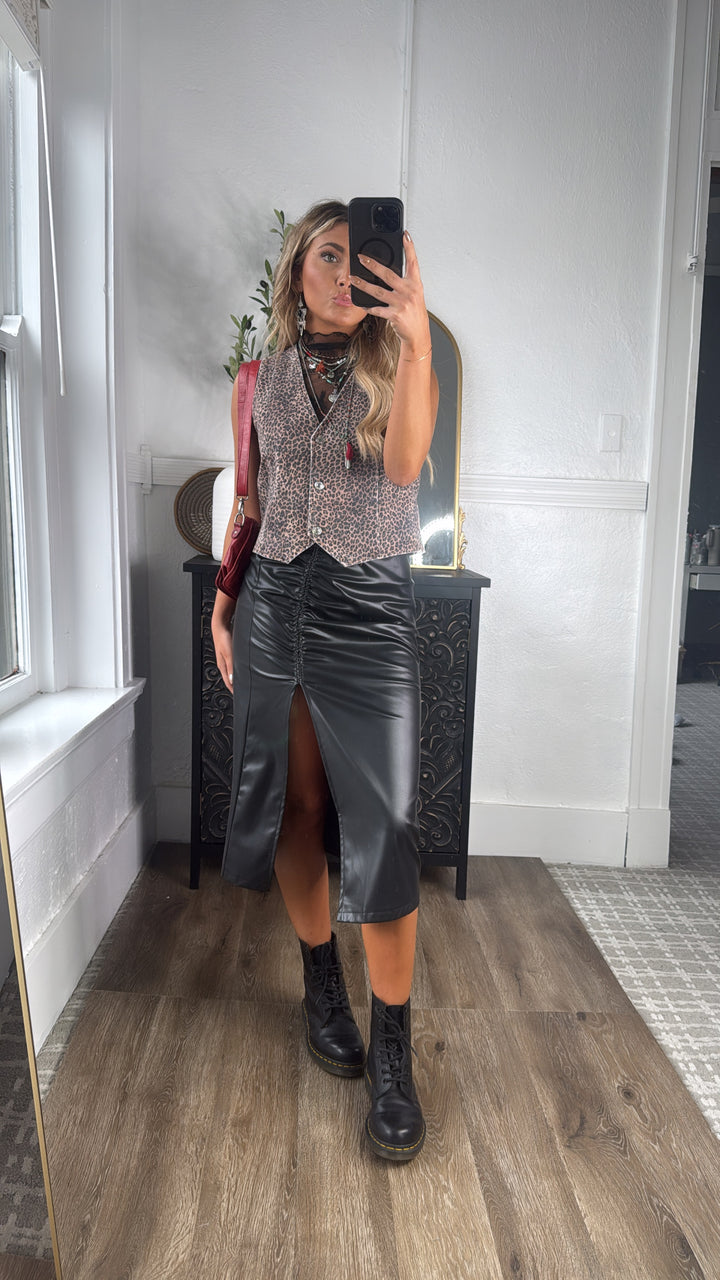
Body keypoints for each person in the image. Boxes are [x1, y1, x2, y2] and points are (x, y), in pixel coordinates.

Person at [211, 199, 438, 1162]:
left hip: (368, 613)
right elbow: (251, 501)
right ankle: (320, 984)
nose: (346, 275)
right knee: (294, 810)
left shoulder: (398, 363)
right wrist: (224, 601)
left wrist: (416, 341)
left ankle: (394, 1051)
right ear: (297, 269)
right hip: (273, 605)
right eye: (328, 256)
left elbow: (404, 467)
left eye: (361, 260)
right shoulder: (255, 377)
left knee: (384, 826)